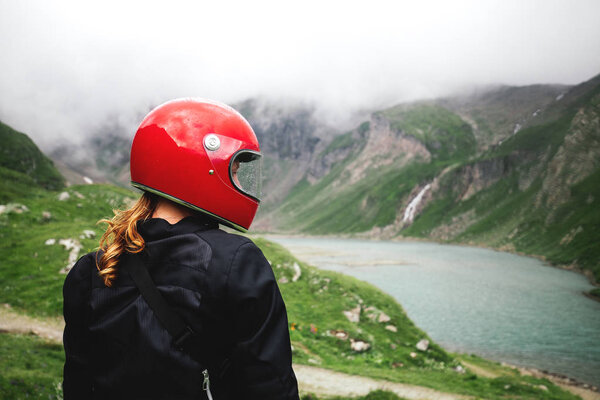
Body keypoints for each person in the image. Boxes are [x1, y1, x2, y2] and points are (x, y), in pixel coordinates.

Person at [62, 98, 300, 399]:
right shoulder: (237, 261)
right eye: (235, 170)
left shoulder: (89, 271)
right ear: (200, 167)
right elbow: (270, 386)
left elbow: (78, 383)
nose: (238, 181)